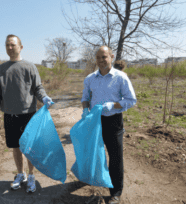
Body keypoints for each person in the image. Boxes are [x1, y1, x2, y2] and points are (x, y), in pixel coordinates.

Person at [0, 34, 53, 193]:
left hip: (28, 115)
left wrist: (44, 98)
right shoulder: (0, 69)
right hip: (9, 115)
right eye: (7, 45)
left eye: (13, 45)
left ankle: (31, 176)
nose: (10, 48)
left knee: (30, 148)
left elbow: (38, 88)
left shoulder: (30, 67)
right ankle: (20, 174)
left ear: (20, 47)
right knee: (15, 147)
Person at [81, 46, 136, 204]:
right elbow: (85, 97)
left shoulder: (121, 77)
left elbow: (131, 100)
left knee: (115, 157)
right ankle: (91, 178)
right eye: (98, 57)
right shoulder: (90, 78)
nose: (101, 60)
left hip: (113, 120)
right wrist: (85, 109)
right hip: (94, 121)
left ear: (111, 57)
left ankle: (115, 192)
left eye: (104, 57)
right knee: (93, 153)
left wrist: (114, 105)